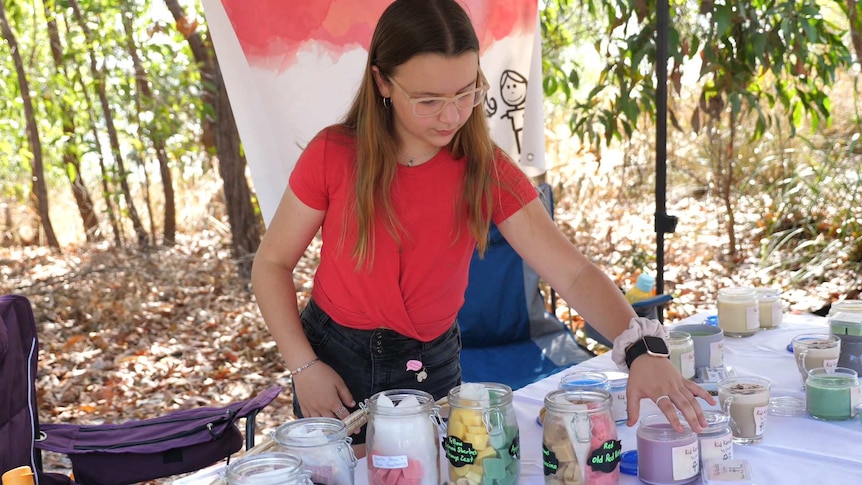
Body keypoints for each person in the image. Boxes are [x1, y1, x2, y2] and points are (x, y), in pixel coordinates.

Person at [251, 0, 714, 447]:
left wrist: (640, 349)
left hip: (433, 366)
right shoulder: (334, 154)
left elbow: (571, 273)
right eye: (429, 100)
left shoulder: (484, 168)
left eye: (466, 93)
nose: (452, 116)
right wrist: (303, 366)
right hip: (334, 363)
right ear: (383, 83)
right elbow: (271, 263)